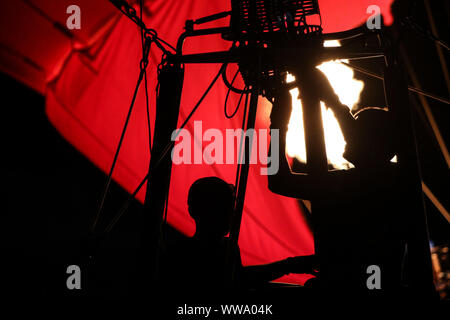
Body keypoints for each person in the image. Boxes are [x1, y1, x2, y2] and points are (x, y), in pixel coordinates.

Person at [268, 68, 408, 295]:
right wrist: (331, 98)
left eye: (357, 128)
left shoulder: (351, 183)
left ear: (371, 142)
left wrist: (277, 126)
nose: (347, 135)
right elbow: (358, 134)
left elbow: (277, 180)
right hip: (381, 286)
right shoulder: (394, 177)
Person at [160, 176, 317, 295]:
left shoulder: (227, 247)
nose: (230, 215)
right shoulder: (182, 253)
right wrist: (288, 265)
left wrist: (289, 265)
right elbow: (238, 280)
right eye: (220, 208)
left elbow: (240, 278)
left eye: (230, 208)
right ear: (196, 211)